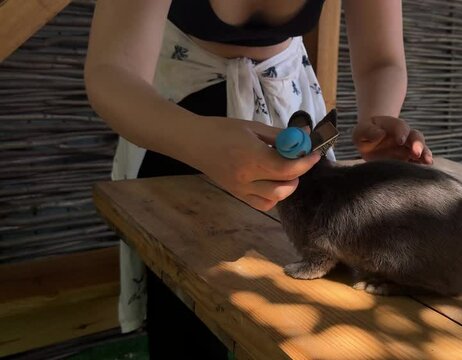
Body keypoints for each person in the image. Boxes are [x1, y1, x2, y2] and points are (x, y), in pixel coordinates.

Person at [84, 0, 432, 357]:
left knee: (308, 315)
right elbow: (112, 70)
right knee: (187, 326)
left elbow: (382, 61)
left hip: (292, 119)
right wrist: (195, 139)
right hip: (172, 133)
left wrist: (378, 118)